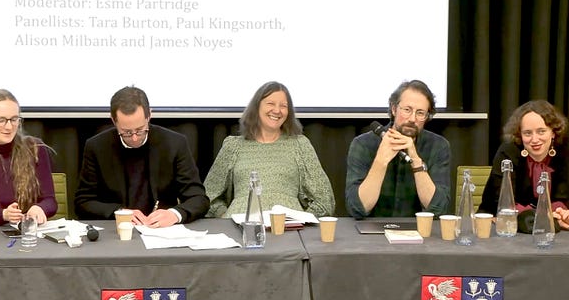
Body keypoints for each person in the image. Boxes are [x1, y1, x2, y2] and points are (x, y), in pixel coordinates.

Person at [74, 86, 209, 227]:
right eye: (126, 132)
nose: (134, 138)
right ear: (114, 121)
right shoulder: (97, 147)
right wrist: (119, 212)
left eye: (140, 130)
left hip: (161, 231)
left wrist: (175, 214)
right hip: (116, 231)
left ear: (149, 116)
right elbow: (83, 202)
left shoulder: (174, 143)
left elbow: (199, 198)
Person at [204, 81, 335, 218]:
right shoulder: (233, 146)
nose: (277, 110)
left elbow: (325, 200)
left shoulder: (300, 145)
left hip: (287, 227)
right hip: (242, 227)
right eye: (271, 103)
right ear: (256, 107)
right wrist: (225, 218)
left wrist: (301, 221)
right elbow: (208, 197)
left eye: (283, 106)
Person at [0, 89, 57, 263]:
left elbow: (50, 201)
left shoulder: (35, 149)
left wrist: (40, 208)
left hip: (25, 243)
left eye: (14, 119)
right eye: (1, 120)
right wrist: (2, 215)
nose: (9, 127)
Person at [345, 80, 451, 218]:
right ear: (394, 109)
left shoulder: (438, 146)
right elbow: (357, 209)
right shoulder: (363, 144)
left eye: (420, 113)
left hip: (419, 229)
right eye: (407, 110)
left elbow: (438, 209)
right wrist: (380, 161)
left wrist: (415, 160)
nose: (412, 119)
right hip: (373, 229)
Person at [479, 100, 569, 221]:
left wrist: (561, 214)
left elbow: (563, 197)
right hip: (504, 222)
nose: (535, 139)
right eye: (527, 133)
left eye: (541, 131)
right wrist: (542, 216)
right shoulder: (508, 152)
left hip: (555, 222)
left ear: (553, 132)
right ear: (520, 134)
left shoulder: (564, 151)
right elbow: (502, 201)